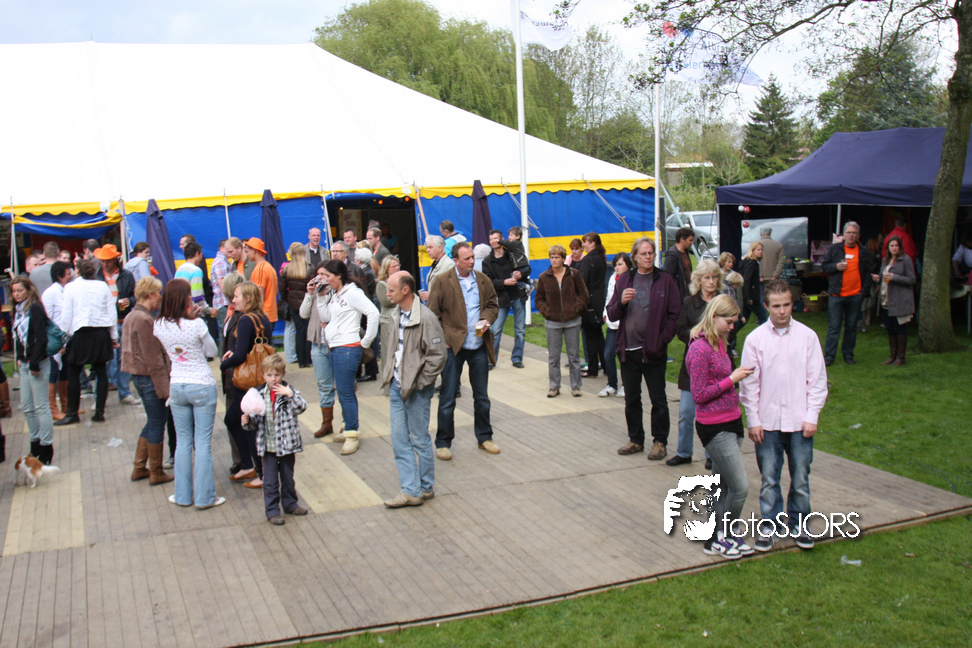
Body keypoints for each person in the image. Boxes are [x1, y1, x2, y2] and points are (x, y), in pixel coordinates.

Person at [740, 279, 828, 552]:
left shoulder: (807, 337)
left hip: (800, 421)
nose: (782, 311)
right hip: (767, 422)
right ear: (766, 306)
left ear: (793, 304)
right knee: (769, 478)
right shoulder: (755, 339)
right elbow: (749, 385)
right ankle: (770, 524)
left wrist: (812, 416)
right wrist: (754, 420)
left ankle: (799, 523)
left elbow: (817, 381)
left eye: (786, 305)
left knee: (800, 477)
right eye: (776, 306)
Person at [685, 294, 754, 559]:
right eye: (729, 322)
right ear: (714, 318)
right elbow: (699, 394)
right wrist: (732, 379)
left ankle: (716, 538)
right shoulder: (699, 349)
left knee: (724, 486)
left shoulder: (721, 343)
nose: (732, 327)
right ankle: (725, 533)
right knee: (740, 487)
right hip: (714, 427)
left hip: (732, 421)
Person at [605, 237, 680, 460]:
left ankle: (660, 442)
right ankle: (636, 439)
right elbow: (611, 313)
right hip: (628, 349)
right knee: (631, 398)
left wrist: (662, 340)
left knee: (658, 398)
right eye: (644, 254)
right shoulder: (625, 279)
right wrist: (622, 302)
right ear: (635, 257)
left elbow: (675, 314)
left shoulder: (664, 280)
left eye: (651, 253)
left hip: (653, 350)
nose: (648, 257)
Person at [379, 271, 447, 507]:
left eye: (391, 290)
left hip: (416, 390)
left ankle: (424, 487)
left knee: (419, 439)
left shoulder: (426, 318)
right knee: (399, 440)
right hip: (397, 387)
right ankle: (412, 490)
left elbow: (438, 356)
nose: (387, 294)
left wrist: (420, 383)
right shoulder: (396, 314)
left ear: (405, 290)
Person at [154, 278, 223, 510]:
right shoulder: (196, 325)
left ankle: (182, 495)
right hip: (201, 383)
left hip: (177, 384)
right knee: (202, 443)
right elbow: (212, 351)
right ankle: (205, 497)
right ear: (183, 298)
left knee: (182, 443)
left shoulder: (159, 324)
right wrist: (195, 322)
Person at [427, 242, 500, 459]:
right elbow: (432, 314)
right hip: (453, 348)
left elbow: (493, 305)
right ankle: (443, 443)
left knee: (482, 397)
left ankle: (485, 438)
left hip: (478, 345)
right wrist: (444, 339)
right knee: (448, 397)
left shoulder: (483, 280)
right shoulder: (443, 281)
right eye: (466, 258)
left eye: (472, 257)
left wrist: (486, 319)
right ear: (456, 260)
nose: (471, 261)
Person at [318, 260, 379, 455]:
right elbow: (325, 317)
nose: (324, 279)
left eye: (327, 276)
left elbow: (373, 312)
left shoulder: (352, 293)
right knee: (343, 391)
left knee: (346, 392)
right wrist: (320, 297)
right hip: (337, 347)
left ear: (338, 275)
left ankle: (352, 433)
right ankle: (348, 429)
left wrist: (366, 341)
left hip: (348, 348)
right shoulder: (335, 294)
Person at [669, 260, 725, 468]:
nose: (711, 282)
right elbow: (680, 330)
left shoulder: (722, 302)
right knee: (686, 413)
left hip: (716, 364)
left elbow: (733, 327)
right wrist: (698, 336)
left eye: (715, 277)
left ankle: (712, 455)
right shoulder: (688, 303)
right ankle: (684, 452)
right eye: (707, 277)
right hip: (693, 365)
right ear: (699, 280)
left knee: (712, 413)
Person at [241, 354, 309, 525]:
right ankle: (272, 510)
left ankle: (290, 504)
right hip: (268, 447)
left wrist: (290, 395)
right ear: (263, 375)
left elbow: (301, 407)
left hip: (287, 445)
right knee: (270, 481)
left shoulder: (288, 391)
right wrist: (247, 422)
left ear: (283, 374)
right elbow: (253, 423)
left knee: (288, 477)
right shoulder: (258, 394)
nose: (273, 379)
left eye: (277, 375)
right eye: (269, 375)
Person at [121, 276, 173, 485]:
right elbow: (154, 359)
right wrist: (165, 389)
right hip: (150, 378)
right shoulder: (144, 320)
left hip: (138, 376)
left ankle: (140, 466)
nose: (159, 298)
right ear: (150, 295)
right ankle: (156, 471)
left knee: (152, 421)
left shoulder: (131, 316)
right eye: (158, 293)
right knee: (157, 423)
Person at [220, 281, 271, 488]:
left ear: (247, 299)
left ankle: (260, 472)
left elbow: (241, 354)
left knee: (244, 423)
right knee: (235, 420)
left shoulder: (245, 320)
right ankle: (250, 466)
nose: (233, 300)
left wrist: (224, 364)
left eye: (237, 296)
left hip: (246, 382)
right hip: (259, 379)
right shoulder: (262, 317)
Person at [56, 259, 117, 425]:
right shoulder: (102, 286)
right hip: (101, 332)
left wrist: (66, 335)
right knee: (101, 372)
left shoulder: (71, 287)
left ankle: (72, 413)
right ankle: (99, 412)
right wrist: (113, 337)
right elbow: (111, 312)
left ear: (77, 271)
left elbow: (66, 314)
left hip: (81, 332)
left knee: (73, 373)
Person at [11, 276, 55, 464]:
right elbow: (18, 337)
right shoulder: (18, 310)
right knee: (27, 407)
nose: (16, 294)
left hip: (37, 363)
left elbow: (41, 338)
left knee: (41, 406)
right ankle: (34, 442)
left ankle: (46, 447)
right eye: (14, 291)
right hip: (24, 363)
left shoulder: (35, 308)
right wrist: (20, 357)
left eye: (20, 290)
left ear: (29, 290)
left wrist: (35, 362)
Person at [535, 245, 588, 398]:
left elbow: (583, 294)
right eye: (551, 257)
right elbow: (539, 299)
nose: (554, 260)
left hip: (572, 321)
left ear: (563, 259)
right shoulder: (544, 277)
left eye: (557, 257)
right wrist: (547, 312)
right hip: (553, 322)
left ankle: (576, 386)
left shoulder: (574, 274)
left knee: (574, 356)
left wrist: (576, 308)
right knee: (554, 357)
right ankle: (554, 387)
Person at [822, 221, 876, 366]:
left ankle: (848, 354)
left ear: (858, 235)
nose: (851, 235)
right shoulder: (835, 249)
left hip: (855, 295)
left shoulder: (864, 251)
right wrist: (836, 266)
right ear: (844, 234)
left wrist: (863, 292)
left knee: (851, 327)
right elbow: (825, 266)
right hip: (837, 295)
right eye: (849, 233)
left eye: (854, 233)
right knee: (834, 327)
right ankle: (829, 356)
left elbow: (869, 272)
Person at [95, 244, 139, 405]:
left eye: (107, 261)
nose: (104, 264)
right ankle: (100, 397)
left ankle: (124, 393)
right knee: (106, 361)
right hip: (105, 324)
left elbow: (135, 295)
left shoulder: (126, 275)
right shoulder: (97, 277)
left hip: (122, 321)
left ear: (115, 260)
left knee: (124, 358)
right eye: (102, 261)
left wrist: (130, 301)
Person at [300, 261, 337, 438]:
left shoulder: (338, 292)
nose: (321, 278)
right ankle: (327, 423)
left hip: (337, 344)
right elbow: (303, 314)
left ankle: (348, 423)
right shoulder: (315, 293)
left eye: (325, 274)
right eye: (319, 274)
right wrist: (309, 294)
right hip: (318, 343)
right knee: (324, 385)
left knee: (343, 386)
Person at [483, 229, 526, 369]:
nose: (493, 241)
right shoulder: (487, 261)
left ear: (502, 240)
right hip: (501, 298)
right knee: (495, 330)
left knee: (520, 330)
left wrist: (520, 274)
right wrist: (504, 282)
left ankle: (517, 358)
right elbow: (487, 282)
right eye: (491, 239)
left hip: (517, 295)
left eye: (496, 238)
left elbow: (526, 269)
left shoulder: (512, 254)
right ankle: (491, 360)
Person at [872, 235, 916, 366]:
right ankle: (892, 356)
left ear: (900, 247)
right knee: (890, 328)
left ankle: (901, 357)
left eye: (896, 245)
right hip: (886, 300)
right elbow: (883, 276)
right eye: (892, 246)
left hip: (900, 300)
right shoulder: (886, 260)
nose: (894, 248)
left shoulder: (906, 260)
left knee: (900, 328)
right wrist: (878, 278)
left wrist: (894, 277)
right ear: (888, 248)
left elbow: (912, 279)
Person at [41, 261, 74, 421]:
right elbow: (46, 319)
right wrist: (54, 340)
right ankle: (52, 408)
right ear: (59, 276)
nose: (71, 276)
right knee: (53, 373)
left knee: (65, 371)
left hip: (66, 339)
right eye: (68, 274)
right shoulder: (50, 293)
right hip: (54, 341)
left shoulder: (68, 290)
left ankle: (66, 406)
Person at [599, 252, 632, 398]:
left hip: (625, 325)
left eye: (620, 264)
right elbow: (608, 298)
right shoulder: (612, 278)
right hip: (612, 324)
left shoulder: (631, 279)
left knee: (624, 356)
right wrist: (605, 314)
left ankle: (626, 385)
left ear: (628, 265)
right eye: (615, 265)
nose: (617, 268)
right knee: (608, 354)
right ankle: (612, 384)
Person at [578, 232, 607, 379]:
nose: (583, 244)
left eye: (585, 242)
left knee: (590, 336)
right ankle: (606, 365)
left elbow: (582, 282)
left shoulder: (588, 260)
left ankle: (593, 367)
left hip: (589, 302)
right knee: (598, 335)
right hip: (599, 300)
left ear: (593, 243)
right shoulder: (601, 258)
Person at [280, 242, 314, 368]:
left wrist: (288, 300)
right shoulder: (309, 269)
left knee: (299, 331)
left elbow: (282, 288)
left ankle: (301, 361)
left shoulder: (286, 270)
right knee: (307, 331)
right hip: (307, 303)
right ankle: (308, 359)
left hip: (293, 304)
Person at [243, 237, 279, 325]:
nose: (246, 255)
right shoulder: (269, 267)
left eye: (247, 252)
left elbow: (259, 295)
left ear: (255, 251)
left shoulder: (260, 269)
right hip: (270, 314)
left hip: (263, 315)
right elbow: (276, 291)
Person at [375, 255, 402, 373]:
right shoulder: (381, 284)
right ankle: (388, 379)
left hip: (401, 320)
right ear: (386, 268)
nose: (397, 268)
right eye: (394, 266)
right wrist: (401, 297)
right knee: (388, 352)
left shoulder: (403, 282)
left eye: (398, 265)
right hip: (388, 321)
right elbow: (386, 301)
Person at [210, 239, 234, 338]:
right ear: (221, 249)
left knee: (225, 331)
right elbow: (222, 283)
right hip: (223, 303)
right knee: (225, 332)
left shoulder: (223, 261)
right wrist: (231, 299)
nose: (230, 250)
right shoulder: (220, 262)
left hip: (223, 302)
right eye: (227, 248)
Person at [420, 235, 455, 301]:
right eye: (427, 247)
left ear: (440, 248)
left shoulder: (449, 265)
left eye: (430, 247)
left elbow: (452, 291)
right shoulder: (436, 263)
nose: (427, 250)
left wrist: (431, 296)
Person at [739, 241, 766, 326]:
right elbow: (746, 280)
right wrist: (748, 297)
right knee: (763, 317)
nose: (760, 251)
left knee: (743, 319)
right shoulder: (751, 264)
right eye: (758, 250)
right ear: (753, 251)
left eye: (761, 250)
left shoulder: (750, 262)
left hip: (748, 296)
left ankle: (732, 332)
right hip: (751, 297)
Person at [663, 227, 694, 300]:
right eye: (690, 240)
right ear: (682, 239)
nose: (692, 242)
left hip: (688, 297)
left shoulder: (685, 252)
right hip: (678, 299)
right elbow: (667, 280)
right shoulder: (671, 257)